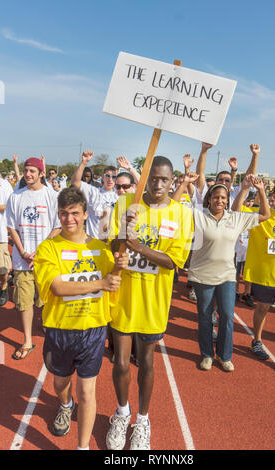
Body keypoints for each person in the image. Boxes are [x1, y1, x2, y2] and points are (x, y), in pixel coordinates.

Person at [106, 156, 193, 450]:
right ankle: (121, 413)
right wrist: (121, 233)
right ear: (146, 176)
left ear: (173, 181)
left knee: (146, 362)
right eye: (153, 178)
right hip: (123, 299)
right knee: (120, 363)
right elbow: (110, 246)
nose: (158, 184)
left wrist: (140, 246)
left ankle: (142, 420)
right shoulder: (125, 203)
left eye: (164, 180)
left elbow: (173, 262)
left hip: (154, 302)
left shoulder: (181, 213)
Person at [33, 187, 128, 450]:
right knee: (61, 382)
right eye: (63, 213)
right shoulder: (48, 249)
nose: (69, 219)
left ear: (86, 214)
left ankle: (82, 447)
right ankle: (65, 404)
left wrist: (120, 264)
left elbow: (115, 283)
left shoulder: (101, 249)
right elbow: (58, 287)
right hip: (59, 329)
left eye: (74, 213)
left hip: (93, 330)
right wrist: (102, 282)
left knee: (87, 392)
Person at [185, 173, 270, 372]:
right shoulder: (199, 215)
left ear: (227, 200)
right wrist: (186, 183)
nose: (220, 201)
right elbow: (174, 207)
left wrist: (261, 192)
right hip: (202, 275)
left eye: (223, 198)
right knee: (205, 317)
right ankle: (207, 355)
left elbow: (265, 215)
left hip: (227, 276)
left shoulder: (236, 218)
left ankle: (225, 356)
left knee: (226, 316)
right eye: (216, 197)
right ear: (209, 199)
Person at [236, 182, 275, 374]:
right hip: (264, 277)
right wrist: (253, 189)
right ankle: (257, 340)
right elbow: (237, 210)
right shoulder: (261, 217)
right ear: (274, 197)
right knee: (262, 309)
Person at [5, 157, 61, 359]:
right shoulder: (16, 197)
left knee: (47, 297)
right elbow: (11, 226)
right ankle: (27, 340)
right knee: (24, 300)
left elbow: (57, 226)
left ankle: (48, 325)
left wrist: (41, 251)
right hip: (23, 260)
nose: (28, 174)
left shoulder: (52, 196)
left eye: (32, 171)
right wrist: (22, 251)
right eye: (26, 170)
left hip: (46, 259)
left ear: (41, 173)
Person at [0, 175, 13, 306]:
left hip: (0, 234)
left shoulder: (4, 185)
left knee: (1, 269)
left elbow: (10, 206)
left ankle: (3, 287)